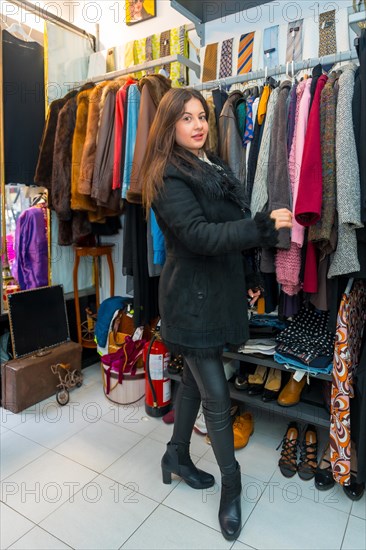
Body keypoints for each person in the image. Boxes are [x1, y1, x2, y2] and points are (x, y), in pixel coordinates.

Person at [140, 88, 292, 541]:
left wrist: (248, 269)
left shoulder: (212, 166)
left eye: (201, 116)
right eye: (186, 119)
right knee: (218, 398)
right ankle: (232, 482)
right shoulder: (167, 175)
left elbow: (227, 224)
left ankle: (176, 456)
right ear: (169, 126)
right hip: (191, 299)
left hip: (216, 291)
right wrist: (261, 228)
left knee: (190, 380)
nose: (199, 125)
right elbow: (199, 235)